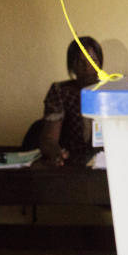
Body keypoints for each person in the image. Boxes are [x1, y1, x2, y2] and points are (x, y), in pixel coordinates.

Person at [40, 37, 103, 166]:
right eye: (81, 62)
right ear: (72, 65)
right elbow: (49, 139)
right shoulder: (60, 92)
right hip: (72, 163)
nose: (87, 67)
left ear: (100, 63)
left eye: (93, 60)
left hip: (105, 163)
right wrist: (56, 152)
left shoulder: (110, 91)